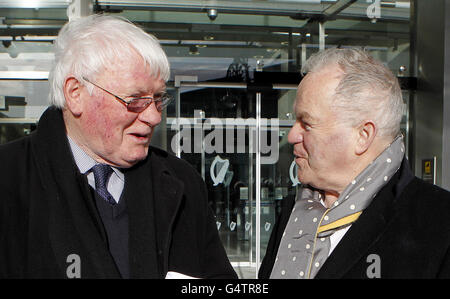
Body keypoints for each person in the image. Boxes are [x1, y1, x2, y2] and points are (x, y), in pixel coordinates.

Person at [0, 14, 237, 279]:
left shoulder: (182, 182)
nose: (154, 116)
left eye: (158, 98)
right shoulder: (9, 177)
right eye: (134, 100)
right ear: (75, 94)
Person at [259, 47, 450, 279]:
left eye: (306, 123)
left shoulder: (439, 224)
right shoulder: (294, 209)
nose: (291, 136)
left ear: (363, 136)